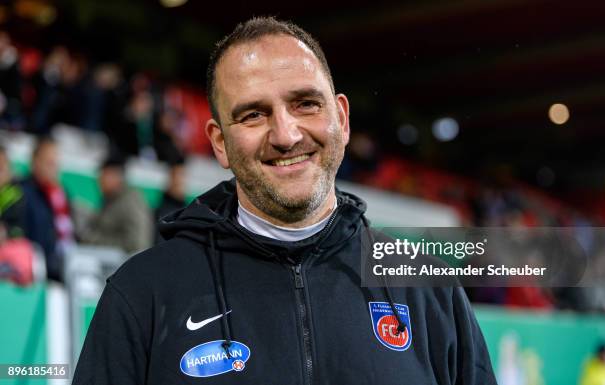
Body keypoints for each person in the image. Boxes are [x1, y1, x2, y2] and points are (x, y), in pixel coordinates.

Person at [73, 17, 497, 384]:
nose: (286, 135)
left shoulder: (427, 285)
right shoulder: (143, 292)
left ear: (342, 119)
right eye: (253, 114)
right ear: (219, 143)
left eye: (306, 104)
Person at [22, 137, 74, 282]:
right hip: (32, 275)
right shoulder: (21, 192)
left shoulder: (61, 195)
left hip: (60, 272)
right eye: (49, 163)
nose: (54, 168)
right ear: (35, 162)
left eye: (56, 163)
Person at [79, 155, 153, 255]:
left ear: (116, 176)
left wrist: (93, 240)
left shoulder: (130, 201)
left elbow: (137, 243)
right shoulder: (109, 199)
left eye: (103, 175)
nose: (99, 181)